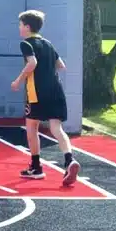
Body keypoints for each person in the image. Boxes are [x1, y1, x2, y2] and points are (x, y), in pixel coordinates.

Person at [10, 10, 81, 185]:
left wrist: (18, 80)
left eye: (20, 25)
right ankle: (69, 159)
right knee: (57, 128)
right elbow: (61, 65)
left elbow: (32, 63)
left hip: (37, 93)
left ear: (27, 27)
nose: (19, 28)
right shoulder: (48, 44)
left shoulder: (26, 43)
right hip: (56, 91)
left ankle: (36, 167)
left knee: (31, 127)